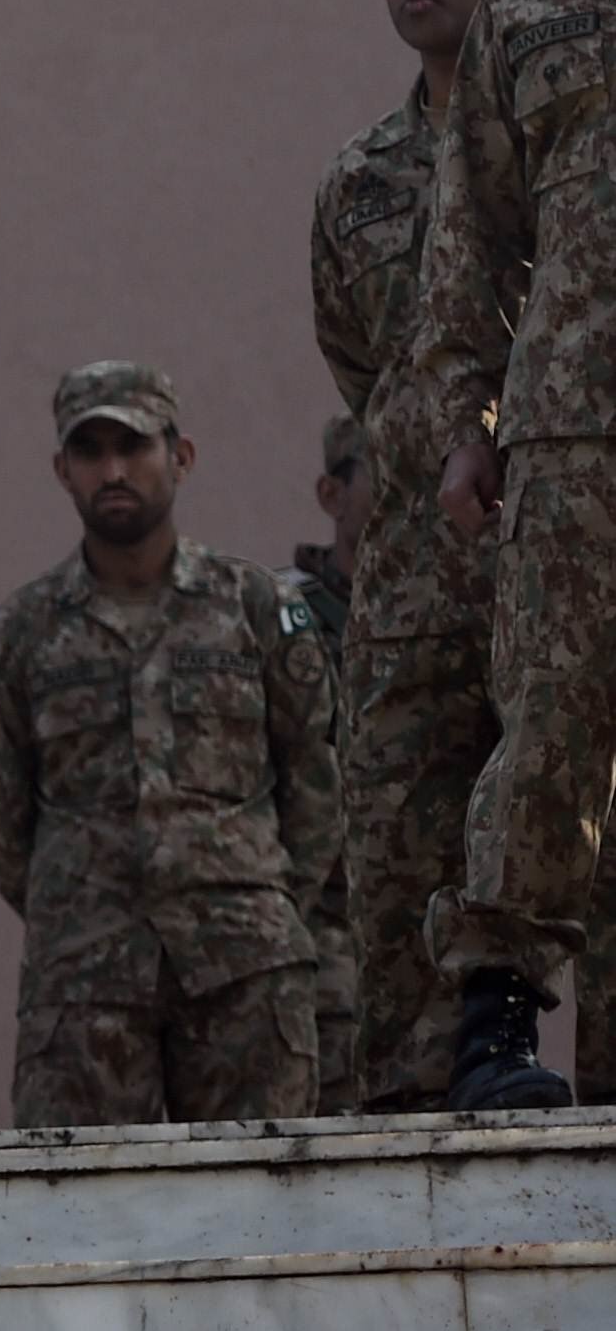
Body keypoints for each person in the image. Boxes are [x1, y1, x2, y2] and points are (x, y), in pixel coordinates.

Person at [0, 362, 338, 1127]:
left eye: (133, 446)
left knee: (260, 1215)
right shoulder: (22, 632)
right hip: (82, 989)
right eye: (89, 450)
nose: (112, 470)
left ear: (181, 456)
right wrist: (79, 908)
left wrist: (256, 898)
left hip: (245, 978)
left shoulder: (254, 606)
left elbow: (316, 777)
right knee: (81, 1222)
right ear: (60, 470)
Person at [421, 0, 616, 1108]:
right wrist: (461, 426)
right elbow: (471, 236)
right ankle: (493, 1018)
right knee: (550, 722)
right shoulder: (529, 8)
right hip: (569, 429)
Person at [316, 0, 528, 1108]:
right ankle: (408, 1131)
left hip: (561, 548)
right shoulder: (360, 182)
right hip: (412, 582)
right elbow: (362, 370)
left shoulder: (569, 134)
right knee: (399, 850)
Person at [285, 414, 363, 1108]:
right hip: (316, 928)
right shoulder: (277, 617)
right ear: (331, 494)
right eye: (382, 476)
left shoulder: (466, 610)